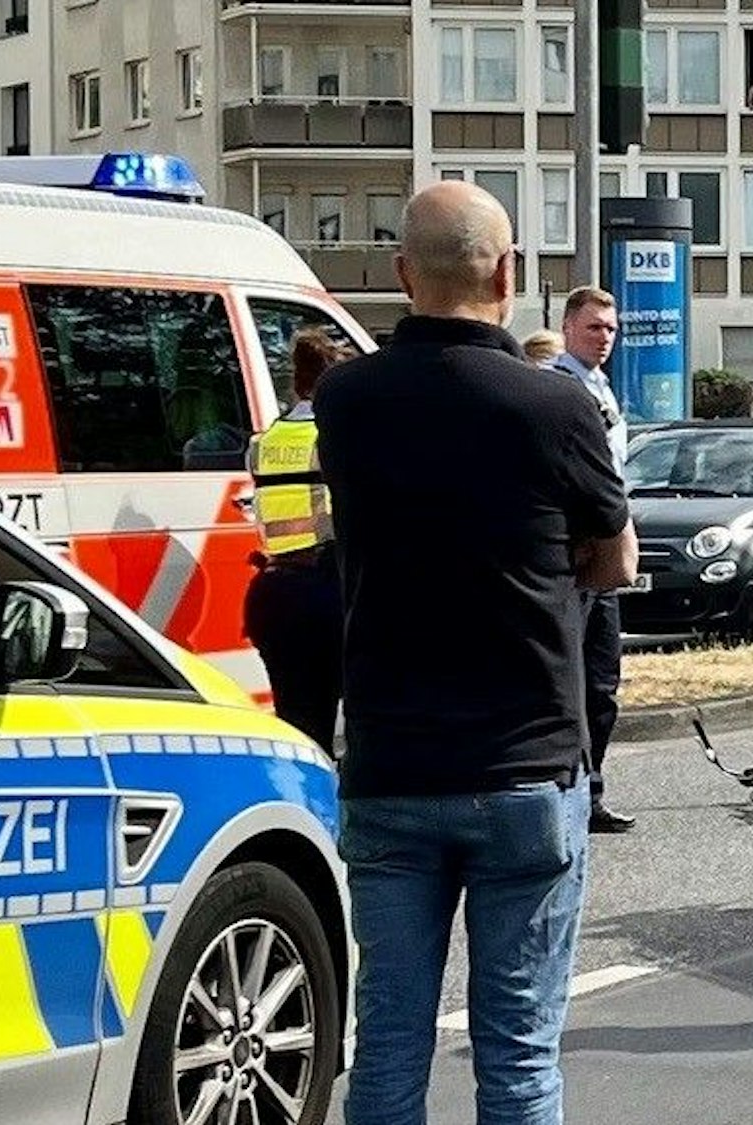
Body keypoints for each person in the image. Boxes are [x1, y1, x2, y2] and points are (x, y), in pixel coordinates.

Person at [314, 181, 635, 1125]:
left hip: (391, 767)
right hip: (525, 766)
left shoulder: (347, 398)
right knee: (520, 1054)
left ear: (402, 272)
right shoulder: (553, 407)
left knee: (388, 1044)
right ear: (508, 273)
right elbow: (613, 562)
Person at [548, 286, 636, 834]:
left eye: (610, 329)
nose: (604, 338)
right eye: (593, 328)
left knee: (602, 684)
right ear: (567, 328)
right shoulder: (559, 388)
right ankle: (568, 794)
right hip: (573, 557)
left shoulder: (601, 388)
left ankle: (592, 789)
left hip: (603, 556)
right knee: (569, 683)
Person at [242, 328, 349, 752]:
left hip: (275, 591)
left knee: (299, 727)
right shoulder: (335, 438)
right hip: (329, 588)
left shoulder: (263, 442)